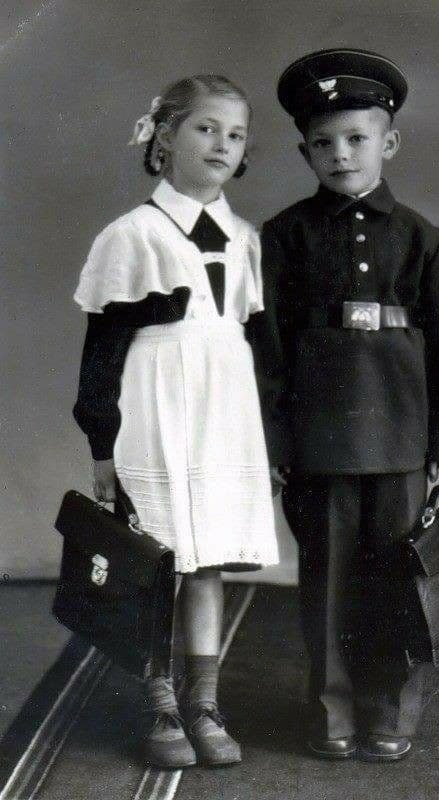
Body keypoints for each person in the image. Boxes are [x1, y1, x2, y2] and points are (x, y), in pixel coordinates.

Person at [259, 48, 439, 762]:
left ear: (389, 142)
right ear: (303, 151)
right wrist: (274, 445)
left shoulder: (420, 237)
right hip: (318, 444)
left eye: (355, 138)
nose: (339, 154)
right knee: (325, 584)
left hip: (399, 440)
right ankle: (331, 712)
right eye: (322, 142)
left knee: (395, 581)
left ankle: (388, 710)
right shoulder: (284, 237)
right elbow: (266, 350)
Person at [73, 75, 279, 769]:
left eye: (236, 132)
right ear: (163, 138)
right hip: (154, 409)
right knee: (157, 558)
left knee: (209, 559)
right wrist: (103, 445)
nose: (222, 142)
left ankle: (203, 701)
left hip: (223, 412)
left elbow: (255, 344)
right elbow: (101, 354)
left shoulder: (246, 239)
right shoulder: (130, 236)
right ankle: (159, 700)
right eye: (205, 128)